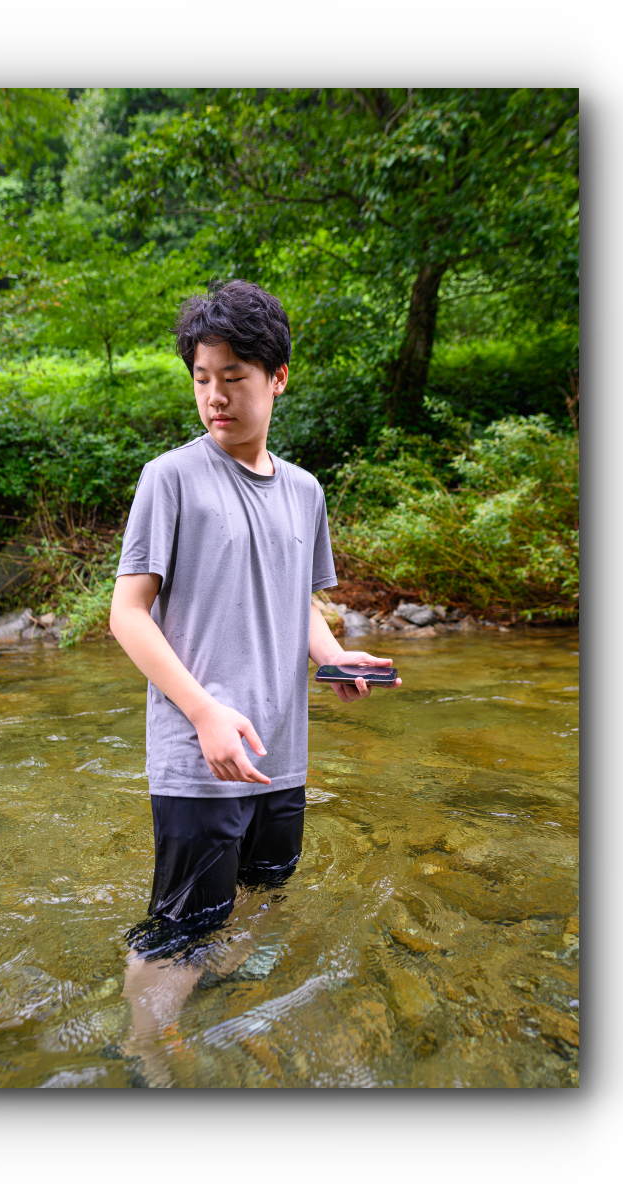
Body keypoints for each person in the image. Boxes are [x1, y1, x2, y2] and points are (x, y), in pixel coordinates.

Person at [109, 280, 401, 1078]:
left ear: (277, 378)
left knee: (265, 893)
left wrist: (332, 656)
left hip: (280, 751)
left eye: (232, 377)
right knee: (180, 926)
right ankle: (148, 1052)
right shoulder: (169, 477)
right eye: (201, 377)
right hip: (199, 752)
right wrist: (204, 712)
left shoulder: (304, 491)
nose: (214, 395)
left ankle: (220, 1011)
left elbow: (294, 599)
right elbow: (127, 615)